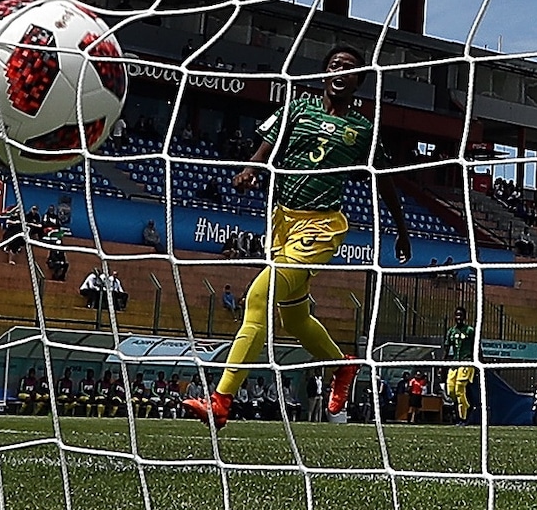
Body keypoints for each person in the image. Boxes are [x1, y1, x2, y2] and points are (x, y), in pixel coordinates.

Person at [184, 45, 413, 428]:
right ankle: (342, 365)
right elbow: (265, 149)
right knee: (293, 319)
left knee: (258, 297)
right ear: (325, 73)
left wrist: (402, 230)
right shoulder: (297, 109)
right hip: (282, 223)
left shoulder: (362, 130)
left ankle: (221, 401)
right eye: (335, 64)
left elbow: (385, 182)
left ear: (359, 80)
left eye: (349, 68)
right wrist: (250, 170)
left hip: (321, 227)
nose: (340, 71)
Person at [443, 307, 475, 424]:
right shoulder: (451, 331)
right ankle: (462, 407)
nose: (458, 317)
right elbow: (446, 348)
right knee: (450, 389)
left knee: (459, 388)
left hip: (466, 362)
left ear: (464, 317)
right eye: (457, 315)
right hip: (455, 362)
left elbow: (476, 347)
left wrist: (479, 363)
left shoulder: (470, 330)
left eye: (461, 315)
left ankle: (463, 416)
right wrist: (442, 364)